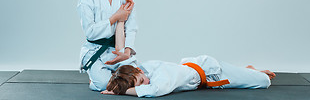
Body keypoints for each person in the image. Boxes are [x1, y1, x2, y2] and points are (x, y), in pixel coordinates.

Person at [77, 0, 138, 91]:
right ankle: (95, 77)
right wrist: (115, 17)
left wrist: (127, 51)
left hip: (119, 50)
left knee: (135, 80)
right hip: (95, 51)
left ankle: (116, 69)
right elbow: (90, 32)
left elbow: (131, 27)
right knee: (106, 85)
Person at [102, 55, 276, 97]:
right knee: (250, 77)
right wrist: (115, 87)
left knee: (263, 81)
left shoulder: (161, 76)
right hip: (197, 69)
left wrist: (124, 92)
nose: (144, 84)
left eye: (141, 82)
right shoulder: (142, 70)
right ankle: (247, 71)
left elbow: (154, 90)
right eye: (139, 85)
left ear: (139, 71)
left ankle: (252, 72)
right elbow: (126, 72)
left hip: (213, 73)